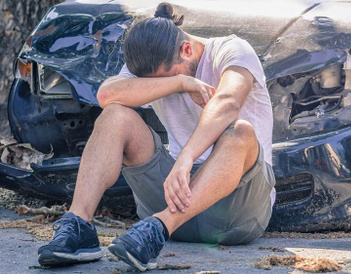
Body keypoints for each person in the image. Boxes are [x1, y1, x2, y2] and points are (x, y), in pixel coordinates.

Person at [37, 2, 276, 271]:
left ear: (187, 50)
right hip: (173, 198)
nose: (162, 85)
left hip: (236, 214)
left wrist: (187, 156)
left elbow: (228, 102)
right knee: (115, 114)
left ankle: (161, 226)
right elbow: (106, 95)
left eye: (169, 76)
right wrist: (178, 82)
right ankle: (79, 225)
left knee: (241, 131)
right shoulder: (154, 64)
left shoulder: (232, 50)